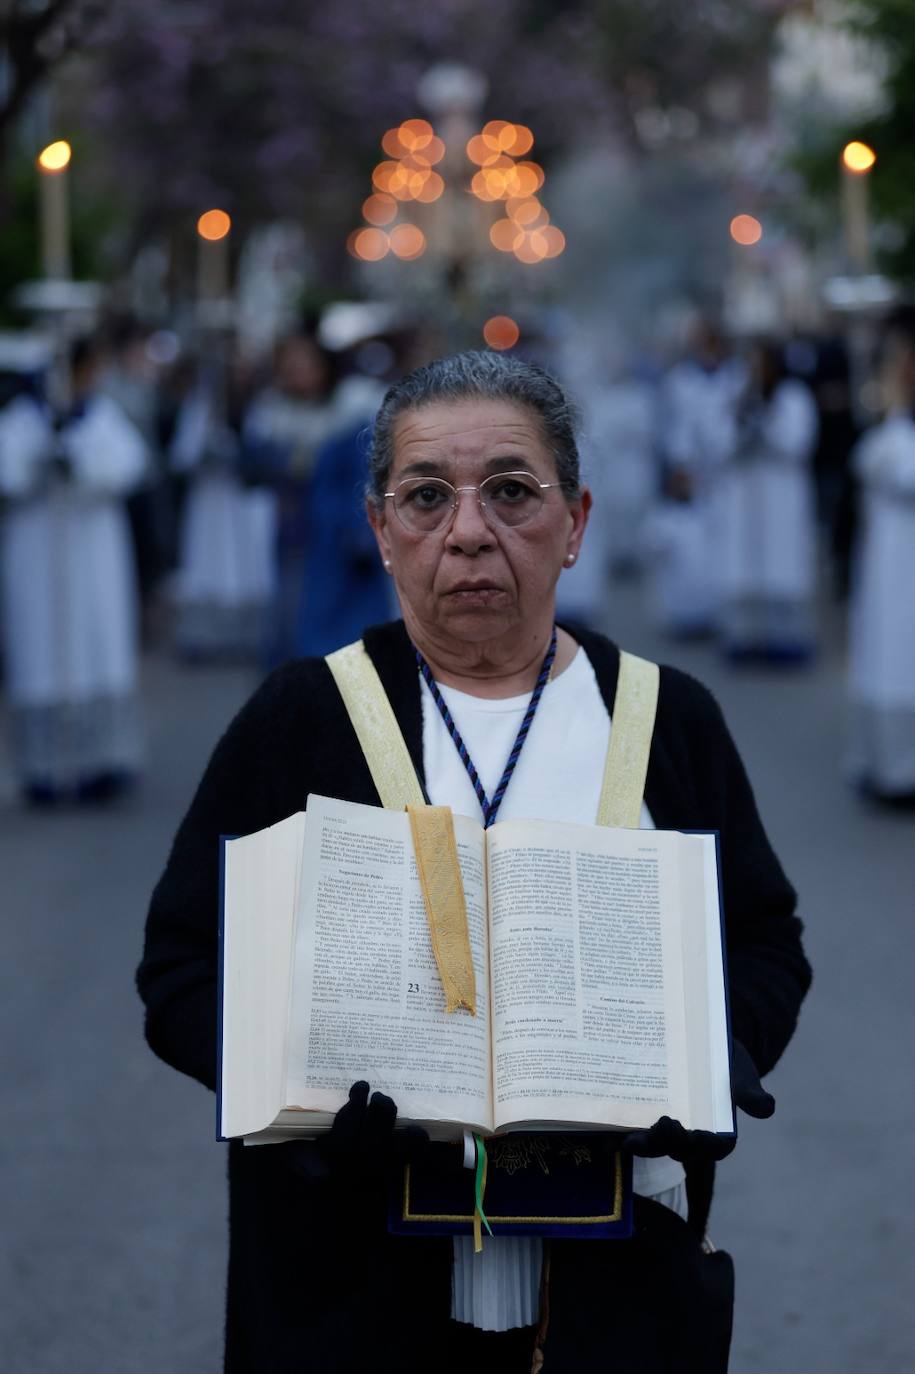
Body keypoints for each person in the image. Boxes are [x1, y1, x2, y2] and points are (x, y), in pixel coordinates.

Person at [137, 351, 811, 1371]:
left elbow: (763, 939)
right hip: (351, 1279)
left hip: (614, 1271)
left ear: (576, 523)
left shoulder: (666, 721)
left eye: (510, 492)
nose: (467, 532)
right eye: (425, 498)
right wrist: (301, 1099)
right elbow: (182, 966)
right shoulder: (302, 720)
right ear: (381, 531)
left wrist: (717, 1058)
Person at [0, 335, 147, 804]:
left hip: (92, 555)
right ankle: (45, 769)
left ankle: (101, 762)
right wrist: (41, 461)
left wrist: (79, 463)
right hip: (37, 554)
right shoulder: (21, 422)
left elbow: (129, 465)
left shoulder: (101, 418)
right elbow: (8, 470)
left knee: (96, 647)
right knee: (40, 652)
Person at [847, 309, 915, 805]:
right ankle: (891, 768)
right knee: (891, 661)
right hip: (894, 566)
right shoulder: (892, 432)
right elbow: (879, 466)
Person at [716, 340, 820, 662]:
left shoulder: (794, 397)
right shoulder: (739, 396)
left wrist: (766, 427)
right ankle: (748, 640)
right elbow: (717, 443)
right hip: (748, 496)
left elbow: (798, 442)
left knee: (783, 564)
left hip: (782, 495)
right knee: (747, 569)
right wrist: (742, 427)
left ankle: (788, 640)